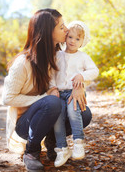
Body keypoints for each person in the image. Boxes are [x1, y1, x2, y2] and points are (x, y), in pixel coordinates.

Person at [2, 9, 92, 172]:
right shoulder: (23, 63)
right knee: (52, 102)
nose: (66, 29)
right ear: (48, 32)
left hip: (50, 113)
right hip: (26, 123)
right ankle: (31, 151)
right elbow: (7, 98)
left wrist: (79, 88)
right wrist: (44, 97)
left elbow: (69, 80)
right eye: (61, 26)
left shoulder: (57, 56)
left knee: (84, 113)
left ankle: (54, 143)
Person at [49, 21, 99, 167]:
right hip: (59, 93)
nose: (73, 41)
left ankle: (78, 143)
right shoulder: (57, 55)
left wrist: (81, 76)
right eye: (70, 37)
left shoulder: (83, 57)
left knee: (73, 111)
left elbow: (94, 71)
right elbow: (51, 74)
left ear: (83, 41)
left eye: (77, 39)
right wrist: (53, 88)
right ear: (65, 37)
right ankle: (62, 148)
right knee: (58, 117)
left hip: (73, 93)